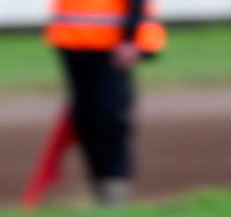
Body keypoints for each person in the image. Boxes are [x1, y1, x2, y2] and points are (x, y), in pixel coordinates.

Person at [46, 0, 168, 206]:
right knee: (86, 119)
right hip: (72, 40)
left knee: (110, 117)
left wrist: (130, 40)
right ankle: (101, 188)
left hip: (112, 44)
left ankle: (114, 190)